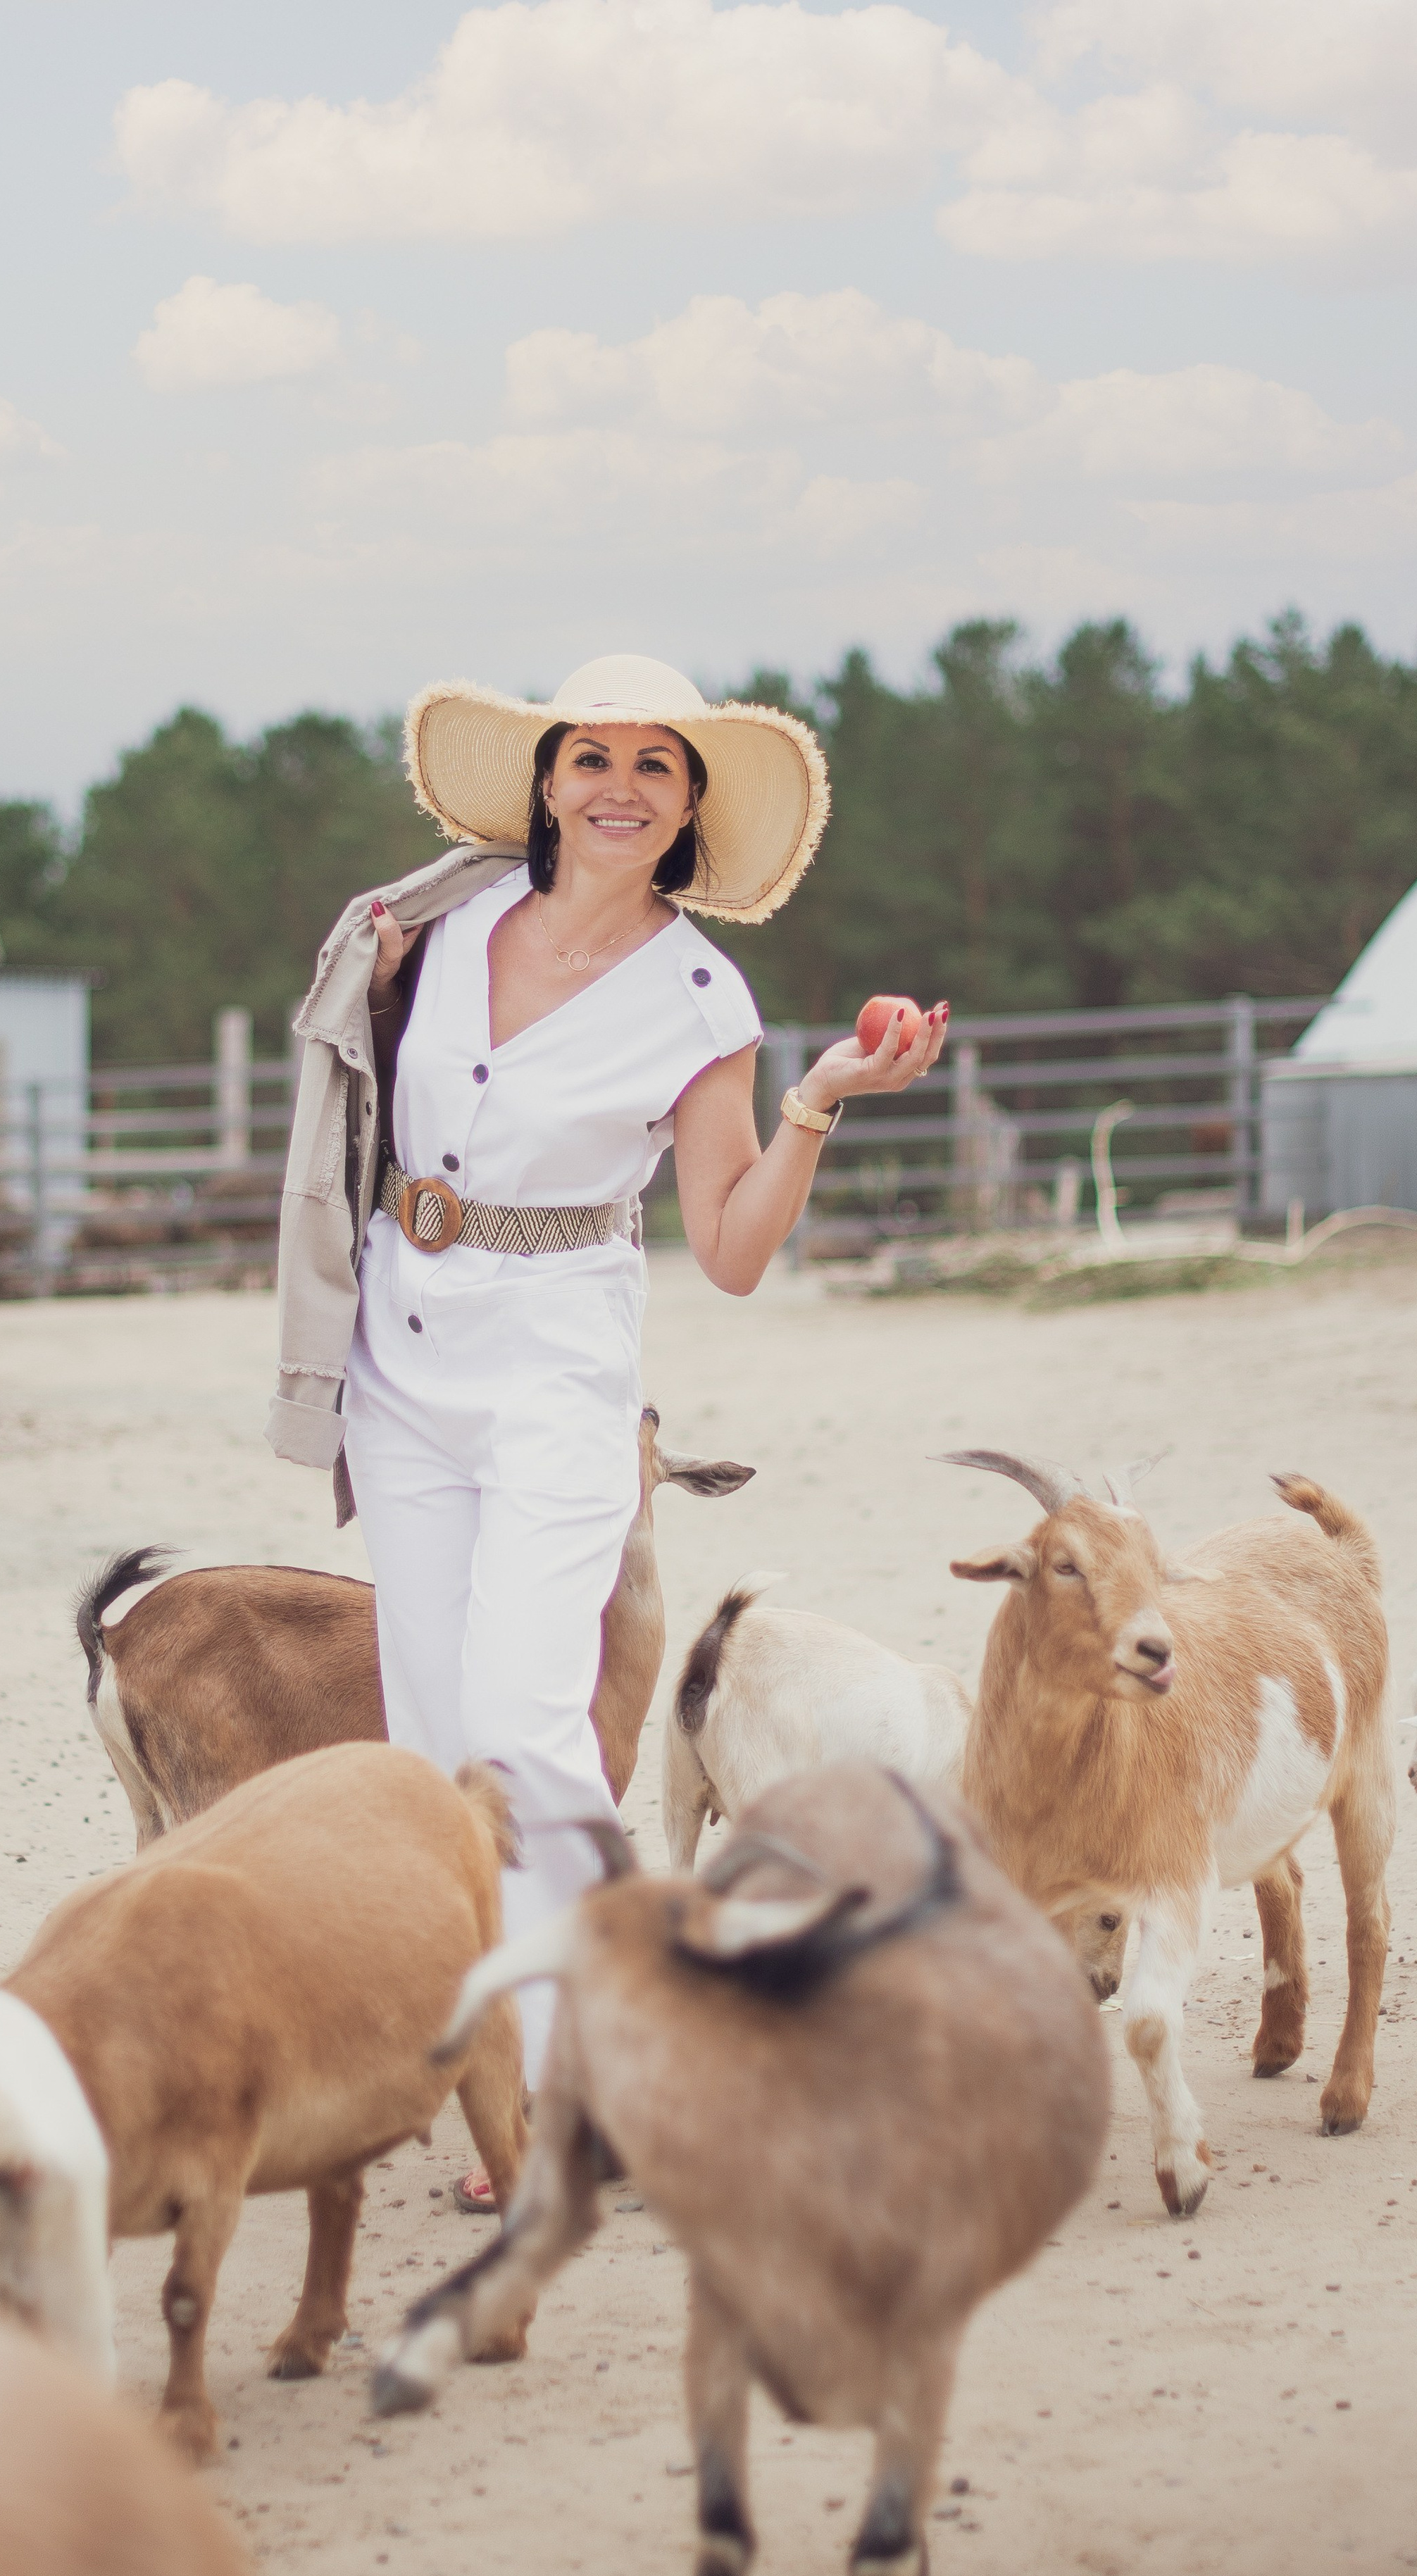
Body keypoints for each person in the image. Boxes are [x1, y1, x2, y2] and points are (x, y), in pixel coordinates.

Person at [270, 654, 946, 2203]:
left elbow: (726, 1248)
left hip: (558, 1368)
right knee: (431, 1741)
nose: (620, 786)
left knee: (525, 1720)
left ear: (690, 803)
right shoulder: (428, 931)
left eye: (657, 764)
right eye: (592, 757)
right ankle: (496, 2086)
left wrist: (817, 1099)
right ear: (547, 780)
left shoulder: (700, 996)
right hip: (401, 1351)